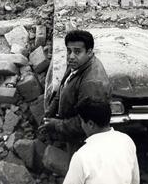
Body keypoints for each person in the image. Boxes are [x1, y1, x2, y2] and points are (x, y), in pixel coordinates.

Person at [39, 30, 112, 159]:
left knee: (78, 167)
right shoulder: (77, 62)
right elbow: (64, 85)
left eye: (77, 51)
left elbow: (86, 122)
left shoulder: (92, 83)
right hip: (69, 128)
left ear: (89, 52)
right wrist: (50, 111)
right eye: (68, 51)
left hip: (82, 140)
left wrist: (55, 124)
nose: (71, 56)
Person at [60, 98, 140, 184]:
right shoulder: (126, 141)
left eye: (81, 121)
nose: (81, 125)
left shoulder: (82, 156)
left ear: (90, 124)